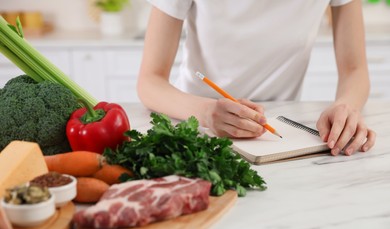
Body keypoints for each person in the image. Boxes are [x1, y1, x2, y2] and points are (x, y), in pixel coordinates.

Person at [137, 0, 376, 156]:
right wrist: (205, 112)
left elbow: (354, 69)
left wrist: (345, 107)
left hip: (276, 136)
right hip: (192, 124)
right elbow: (150, 81)